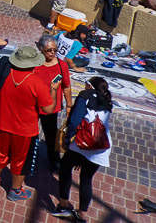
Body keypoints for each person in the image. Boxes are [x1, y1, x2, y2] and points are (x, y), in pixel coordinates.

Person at [0, 46, 60, 202]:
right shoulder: (36, 83)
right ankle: (15, 190)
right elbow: (48, 109)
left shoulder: (5, 74)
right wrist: (53, 90)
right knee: (20, 161)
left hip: (2, 124)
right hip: (25, 131)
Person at [52, 77, 113, 221]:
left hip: (82, 143)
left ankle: (64, 206)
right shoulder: (107, 100)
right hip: (101, 148)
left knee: (65, 169)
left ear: (89, 86)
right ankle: (82, 214)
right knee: (86, 179)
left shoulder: (84, 96)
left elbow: (74, 122)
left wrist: (67, 141)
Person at [34, 33, 72, 170]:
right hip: (34, 106)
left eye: (55, 50)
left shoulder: (62, 65)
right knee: (31, 134)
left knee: (51, 135)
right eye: (49, 50)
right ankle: (30, 158)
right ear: (41, 50)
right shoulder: (34, 63)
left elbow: (67, 87)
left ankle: (54, 159)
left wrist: (69, 105)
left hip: (51, 107)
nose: (52, 53)